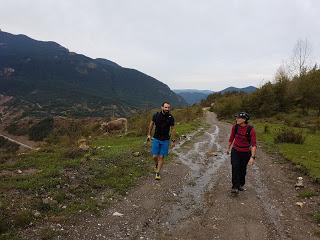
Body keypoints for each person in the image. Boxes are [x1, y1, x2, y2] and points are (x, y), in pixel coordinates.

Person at [227, 112, 257, 194]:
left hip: (246, 152)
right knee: (235, 167)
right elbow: (231, 138)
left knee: (242, 169)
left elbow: (254, 144)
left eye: (238, 118)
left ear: (244, 120)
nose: (236, 119)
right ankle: (235, 187)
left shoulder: (251, 129)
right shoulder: (235, 127)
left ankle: (240, 184)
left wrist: (252, 157)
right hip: (235, 151)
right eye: (236, 118)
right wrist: (228, 148)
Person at [146, 102, 176, 180]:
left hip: (165, 140)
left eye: (168, 107)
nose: (167, 109)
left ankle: (158, 172)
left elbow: (173, 129)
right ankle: (156, 164)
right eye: (166, 107)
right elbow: (151, 125)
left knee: (161, 157)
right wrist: (149, 135)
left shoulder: (171, 117)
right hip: (156, 138)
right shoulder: (156, 116)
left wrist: (173, 140)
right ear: (162, 107)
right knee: (154, 156)